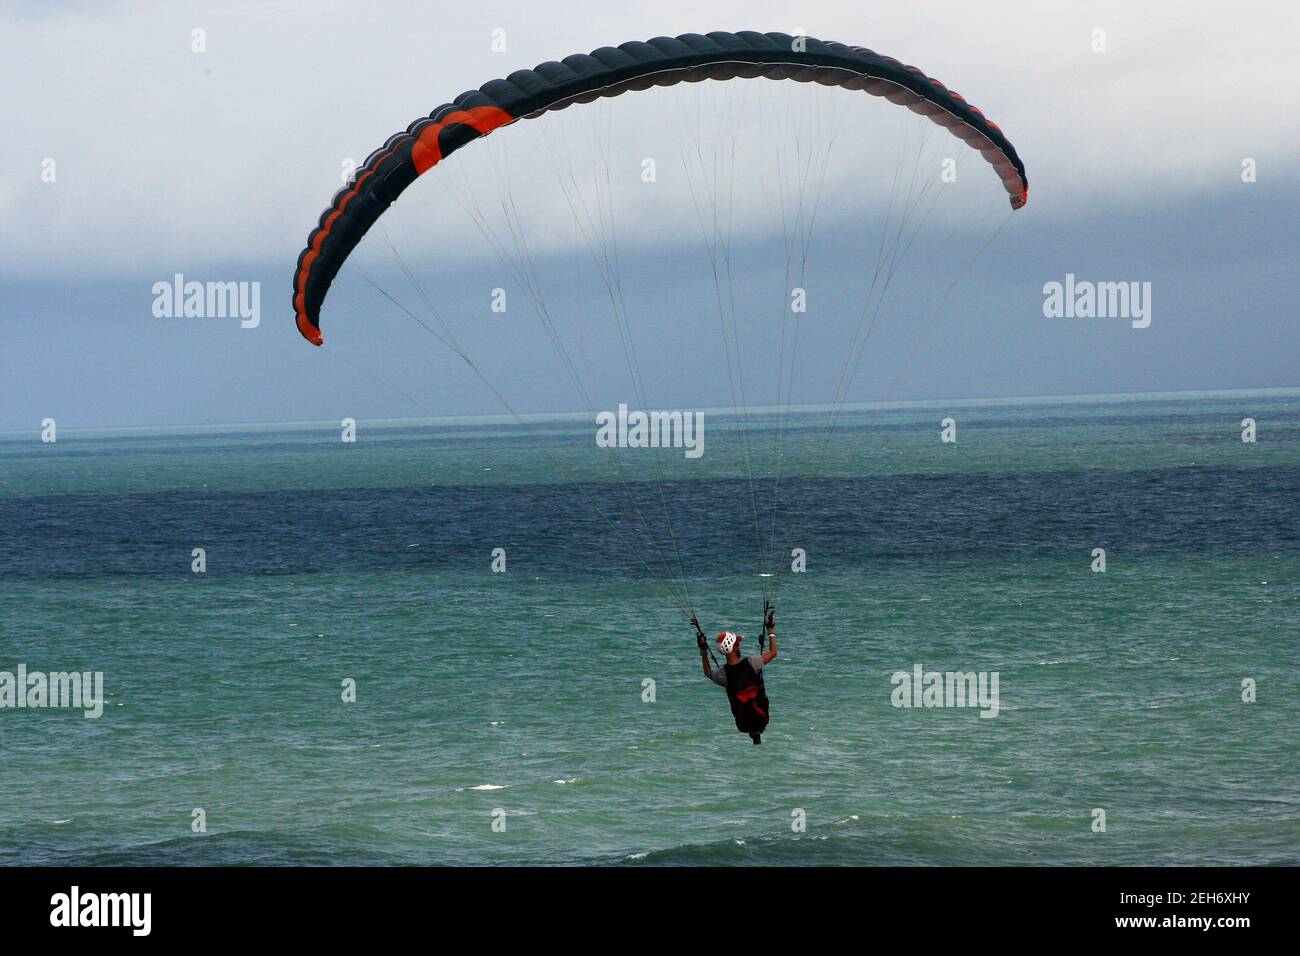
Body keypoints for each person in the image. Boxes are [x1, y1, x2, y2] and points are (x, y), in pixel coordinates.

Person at [692, 602, 777, 744]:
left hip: (743, 723)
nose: (739, 645)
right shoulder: (752, 663)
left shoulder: (723, 675)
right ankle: (755, 732)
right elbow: (773, 652)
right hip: (761, 717)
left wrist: (703, 651)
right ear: (735, 647)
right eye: (738, 643)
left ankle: (754, 731)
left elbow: (708, 672)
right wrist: (771, 629)